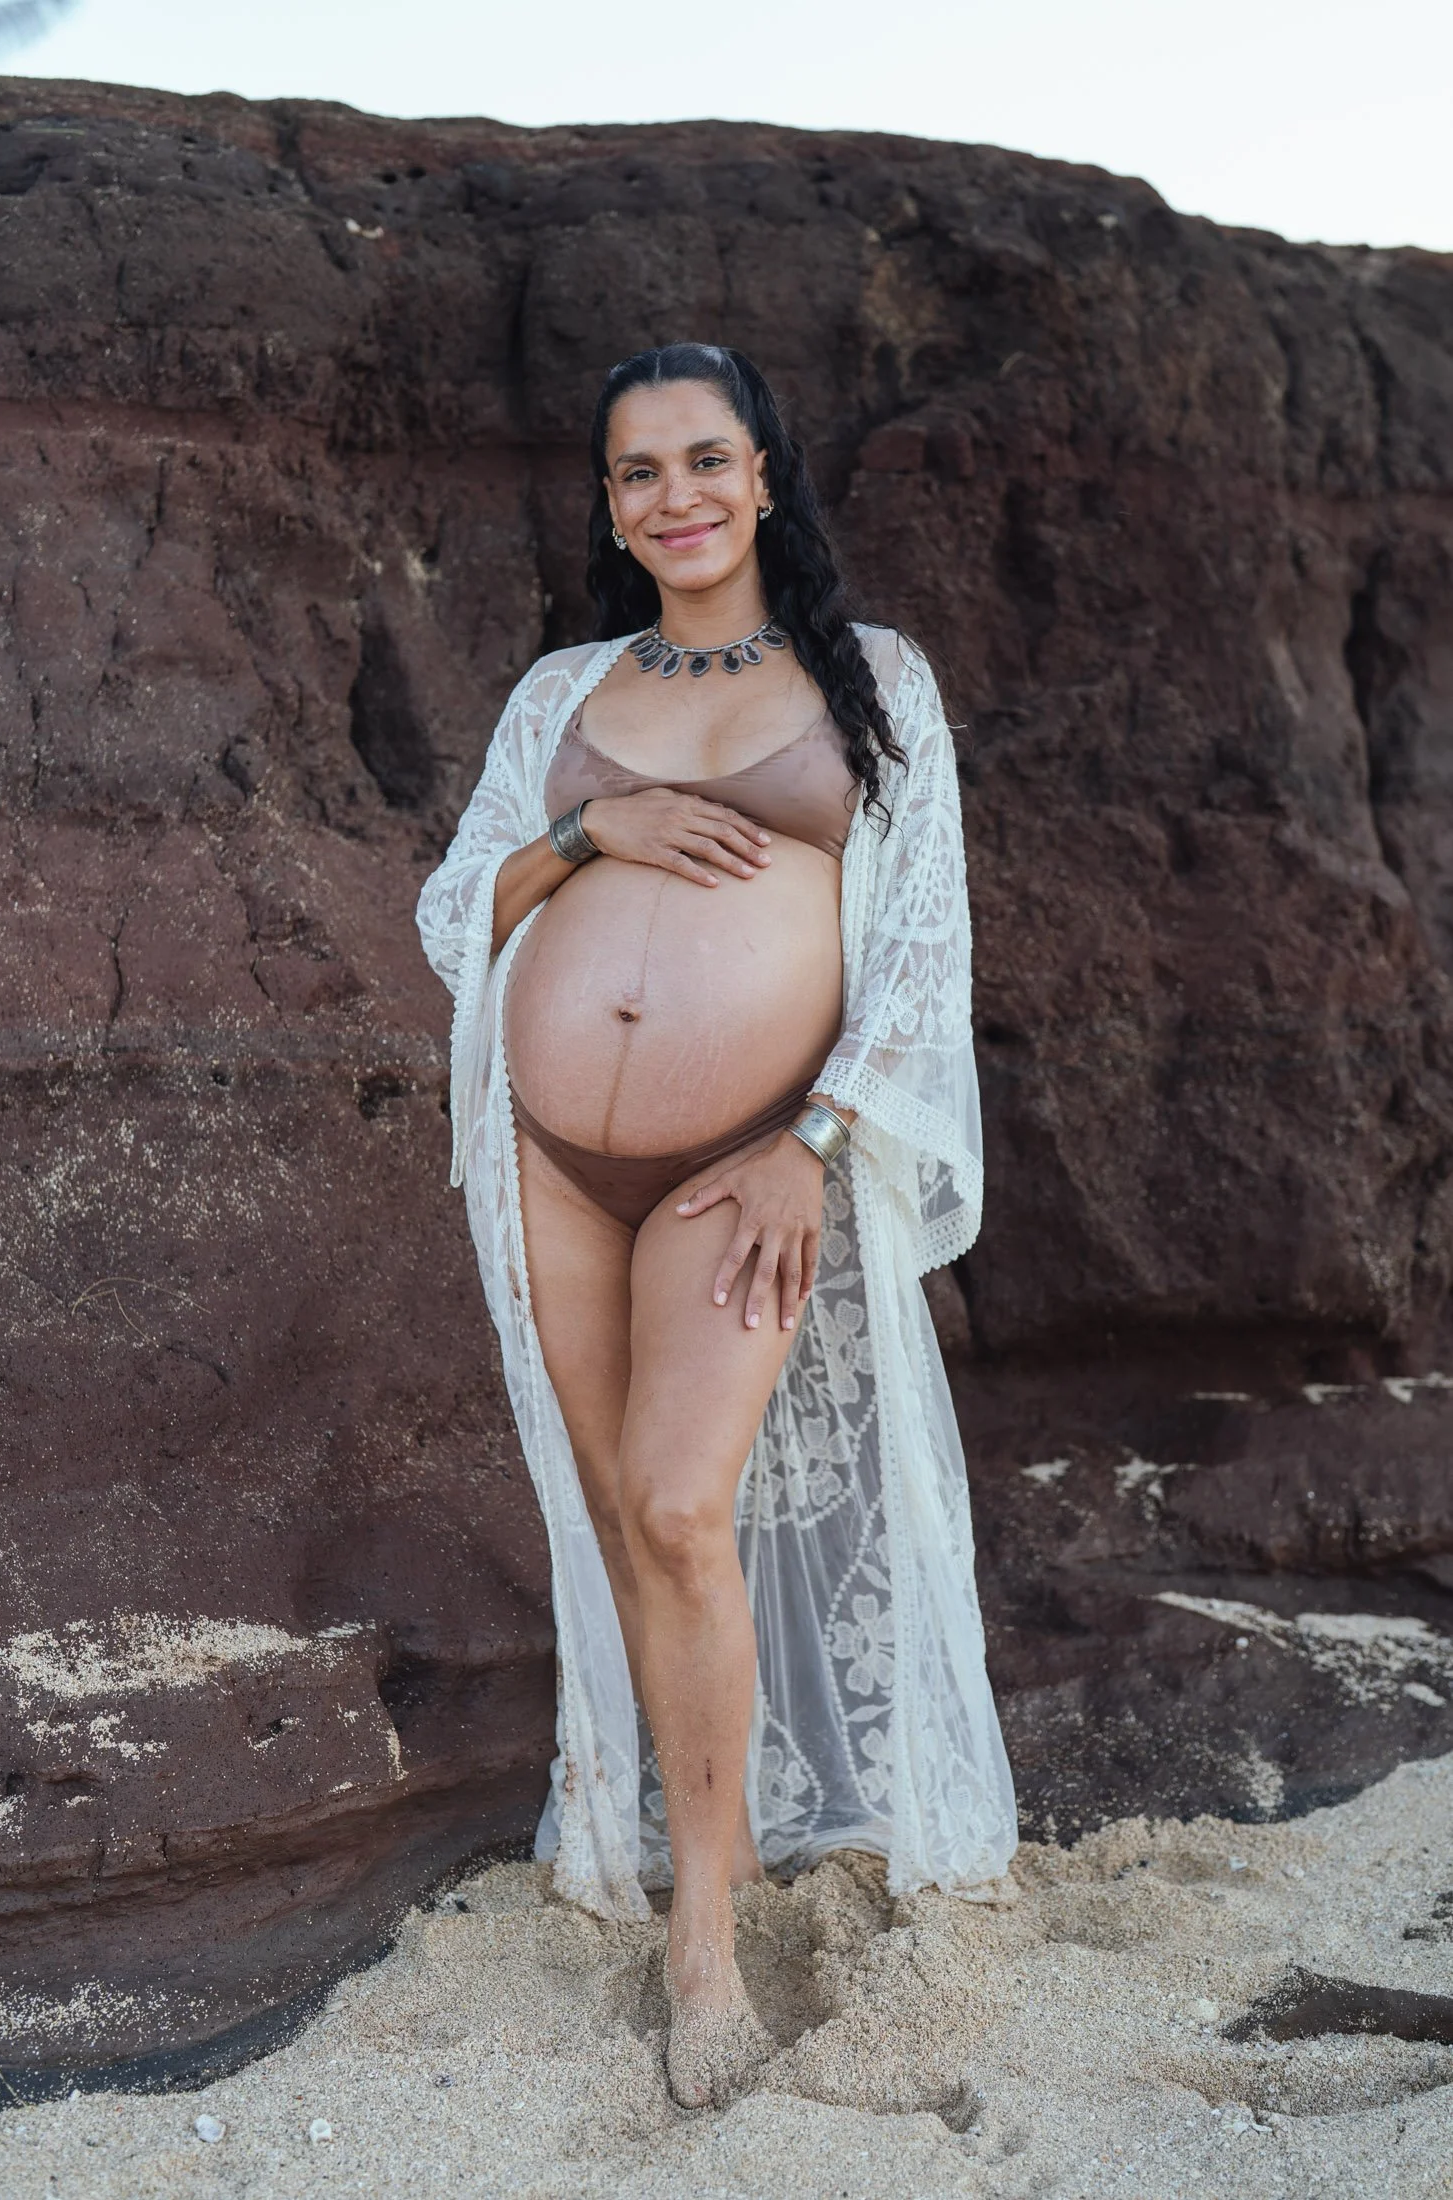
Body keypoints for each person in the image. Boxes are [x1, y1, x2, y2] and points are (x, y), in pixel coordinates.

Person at [416, 342, 1017, 2108]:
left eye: (700, 461)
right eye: (633, 474)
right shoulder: (561, 694)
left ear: (764, 477)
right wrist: (587, 830)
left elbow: (922, 952)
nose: (669, 497)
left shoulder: (874, 680)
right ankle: (699, 1846)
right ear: (611, 508)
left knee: (685, 1502)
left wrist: (809, 1145)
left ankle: (702, 1945)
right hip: (546, 1156)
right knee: (616, 1516)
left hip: (742, 1152)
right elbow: (461, 912)